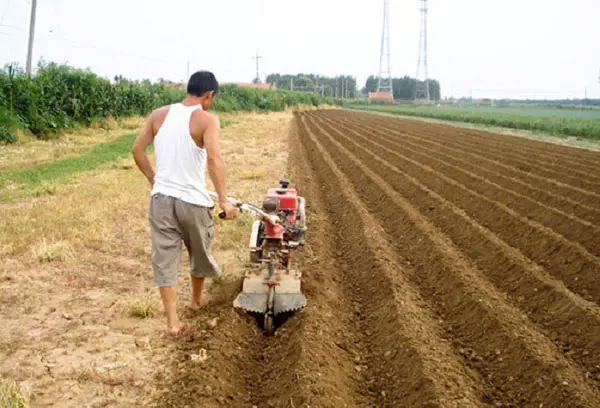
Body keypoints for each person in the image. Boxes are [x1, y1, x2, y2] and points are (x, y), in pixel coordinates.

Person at [132, 71, 238, 336]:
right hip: (192, 201)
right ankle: (195, 301)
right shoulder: (207, 120)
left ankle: (172, 323)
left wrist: (153, 179)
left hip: (161, 200)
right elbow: (214, 159)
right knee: (199, 252)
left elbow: (137, 150)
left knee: (165, 257)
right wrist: (223, 200)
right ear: (209, 94)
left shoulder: (159, 114)